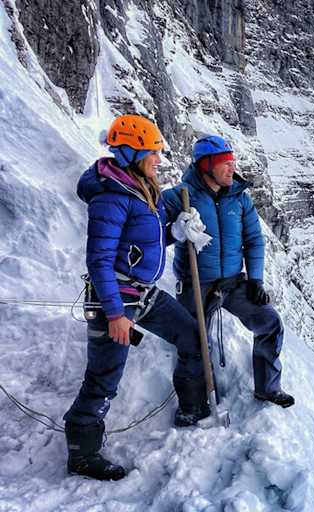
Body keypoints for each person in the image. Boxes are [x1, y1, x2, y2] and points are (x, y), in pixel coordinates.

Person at [63, 115, 210, 481]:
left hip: (141, 294)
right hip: (113, 300)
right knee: (103, 377)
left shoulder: (140, 186)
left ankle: (192, 409)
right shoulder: (111, 196)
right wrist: (115, 314)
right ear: (132, 152)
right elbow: (98, 259)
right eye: (152, 152)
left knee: (190, 333)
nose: (158, 159)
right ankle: (82, 453)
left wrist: (174, 233)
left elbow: (142, 241)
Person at [163, 135, 294, 418]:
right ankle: (192, 407)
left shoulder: (239, 198)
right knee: (194, 342)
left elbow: (254, 240)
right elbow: (151, 235)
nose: (231, 169)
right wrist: (174, 231)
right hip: (196, 283)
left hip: (234, 283)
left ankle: (267, 388)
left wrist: (256, 280)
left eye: (232, 162)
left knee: (270, 323)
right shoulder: (179, 197)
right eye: (225, 163)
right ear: (206, 165)